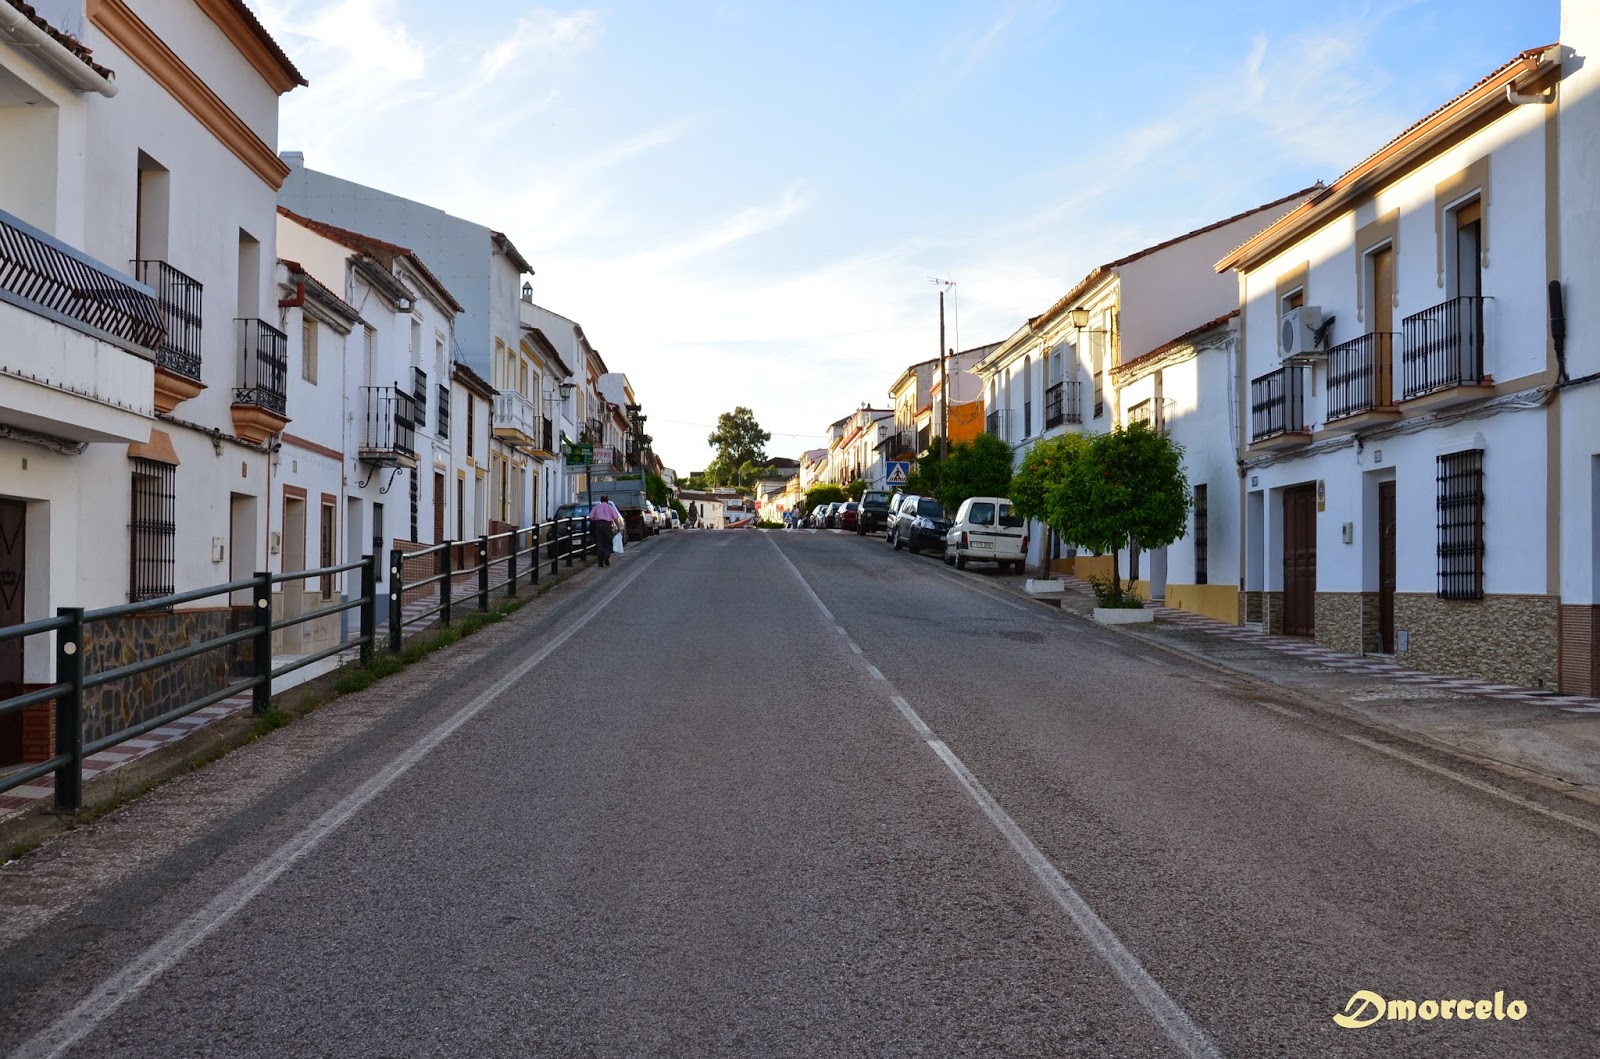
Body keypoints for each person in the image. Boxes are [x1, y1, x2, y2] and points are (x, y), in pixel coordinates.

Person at [589, 494, 622, 567]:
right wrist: (618, 527)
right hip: (607, 525)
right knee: (608, 541)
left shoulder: (596, 507)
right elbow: (615, 518)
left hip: (598, 525)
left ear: (600, 501)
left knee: (599, 542)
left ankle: (600, 562)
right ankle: (606, 555)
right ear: (607, 501)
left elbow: (590, 517)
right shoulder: (610, 508)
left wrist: (595, 520)